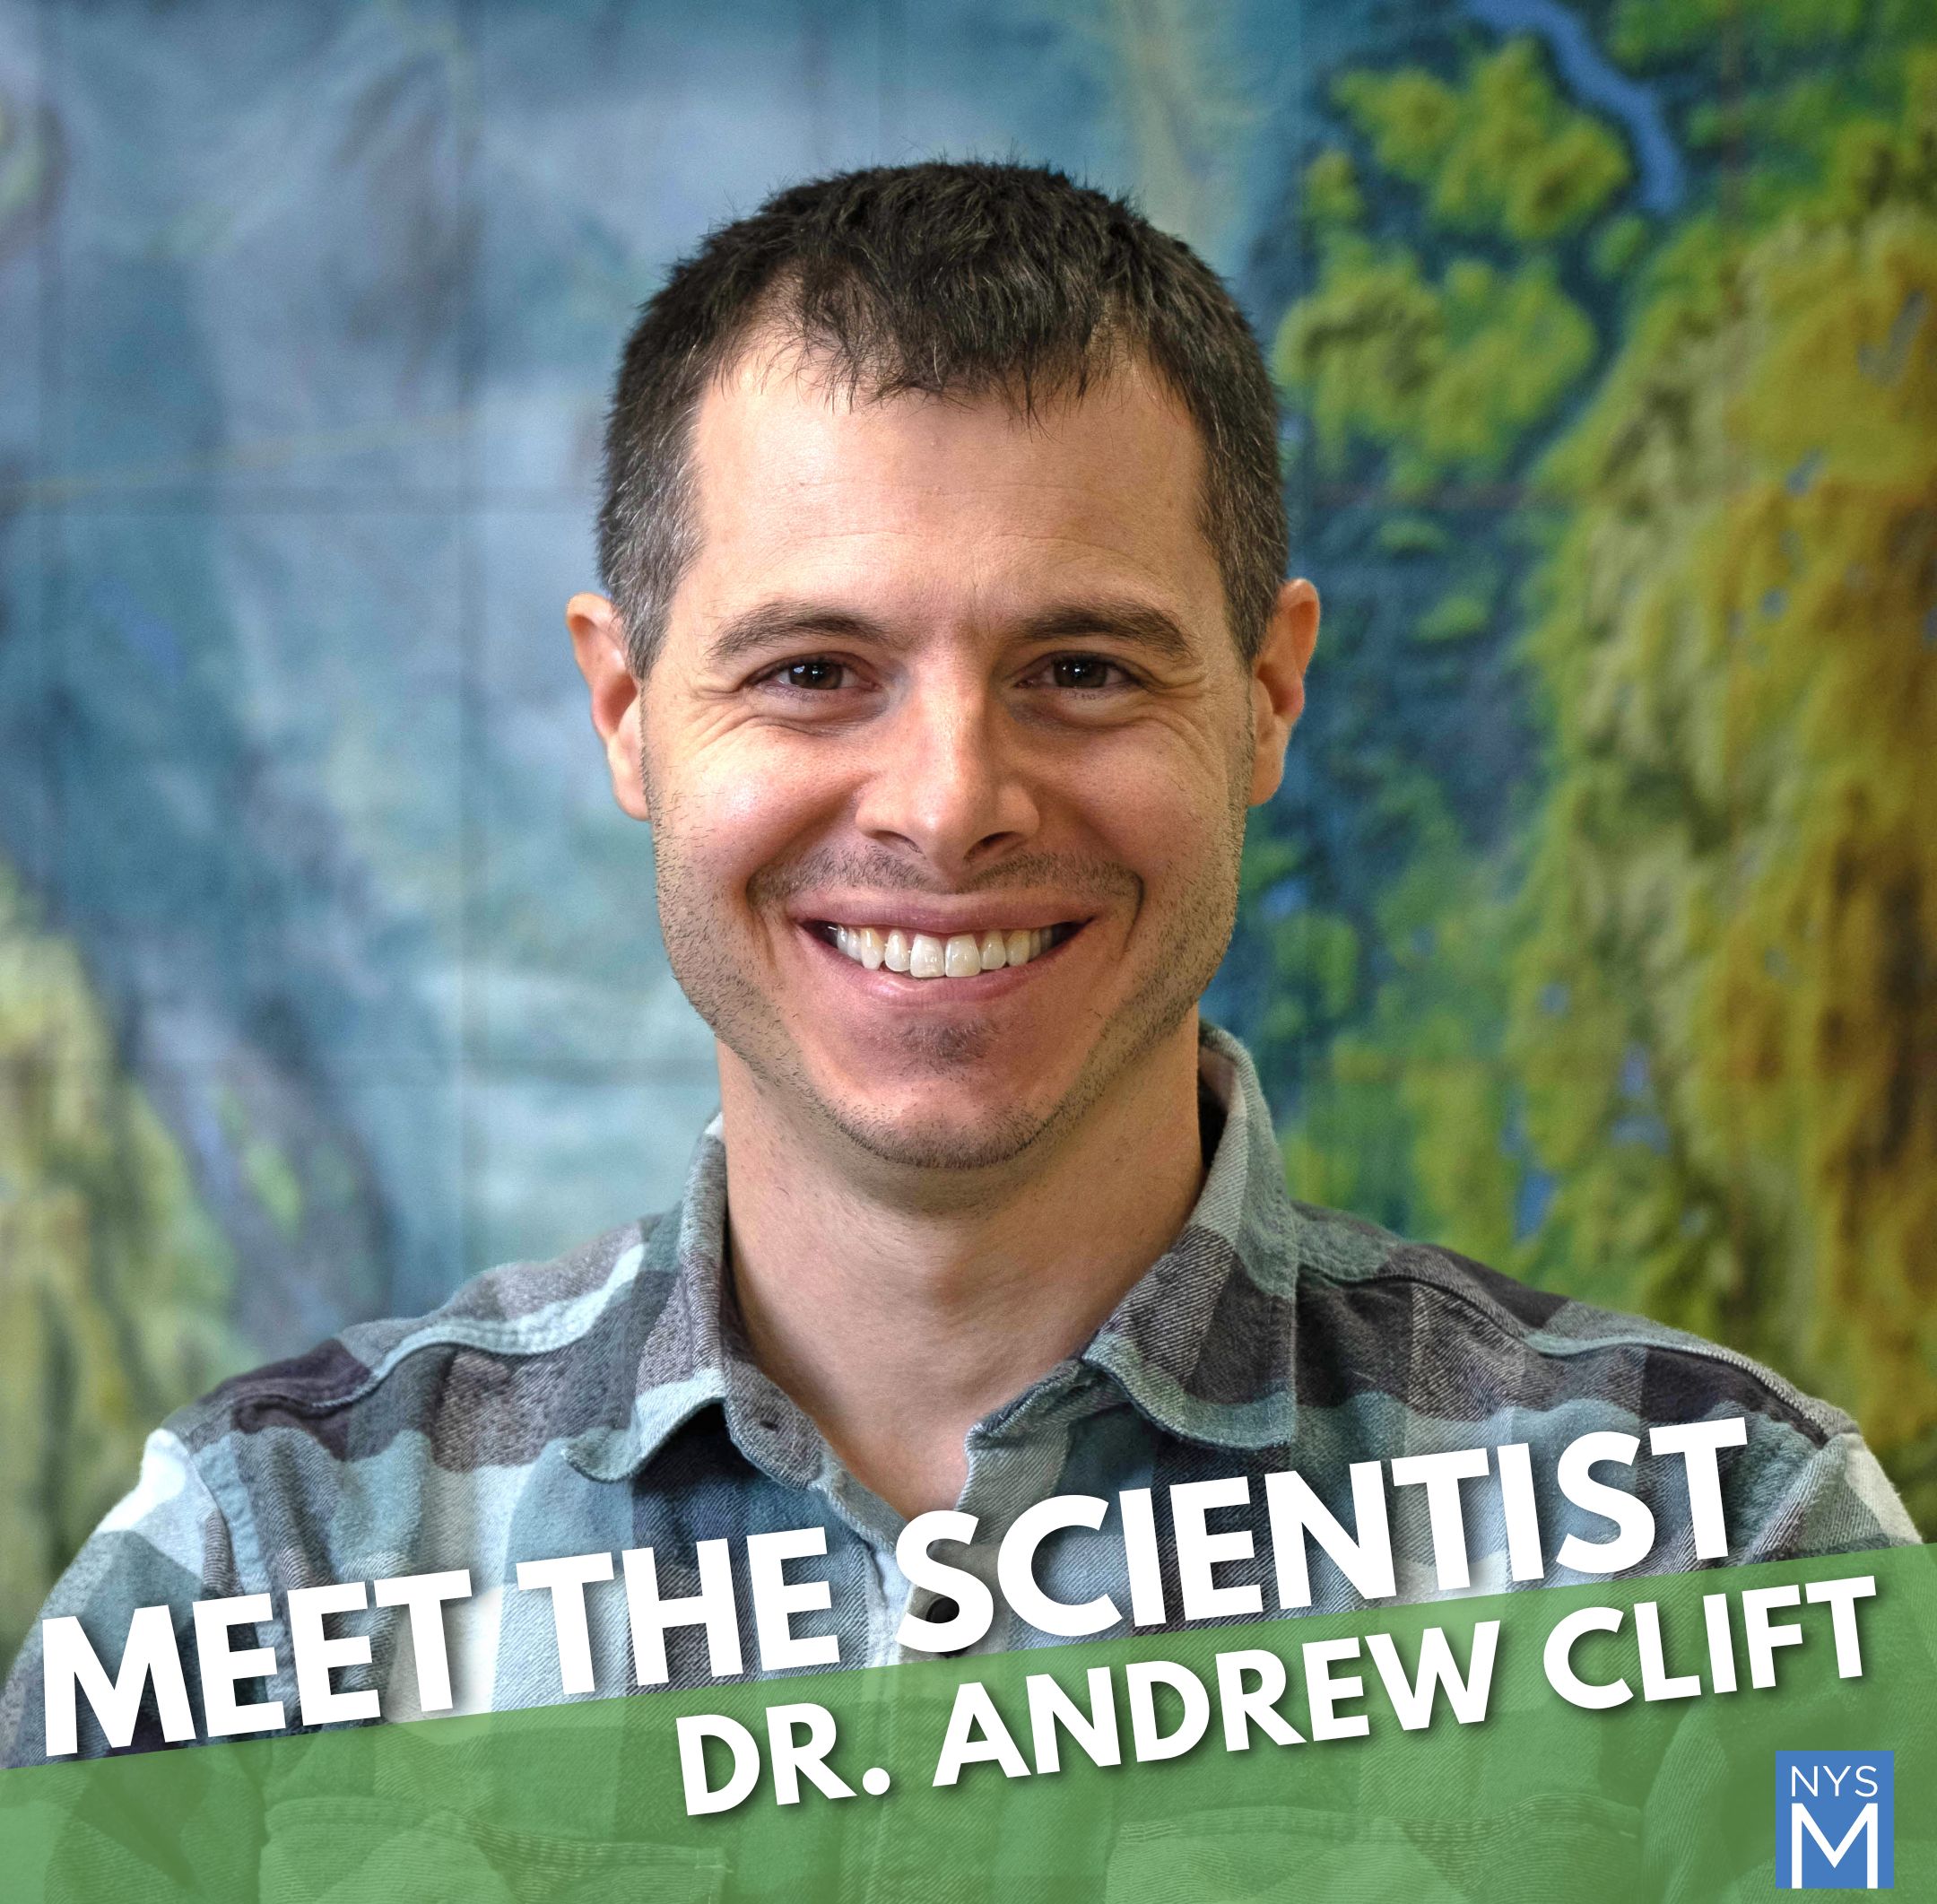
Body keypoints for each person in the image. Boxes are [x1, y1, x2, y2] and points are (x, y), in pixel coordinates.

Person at [2, 160, 1915, 1767]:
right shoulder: (262, 1578)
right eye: (812, 672)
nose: (948, 806)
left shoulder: (1724, 1551)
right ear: (627, 710)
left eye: (1080, 668)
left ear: (1267, 697)